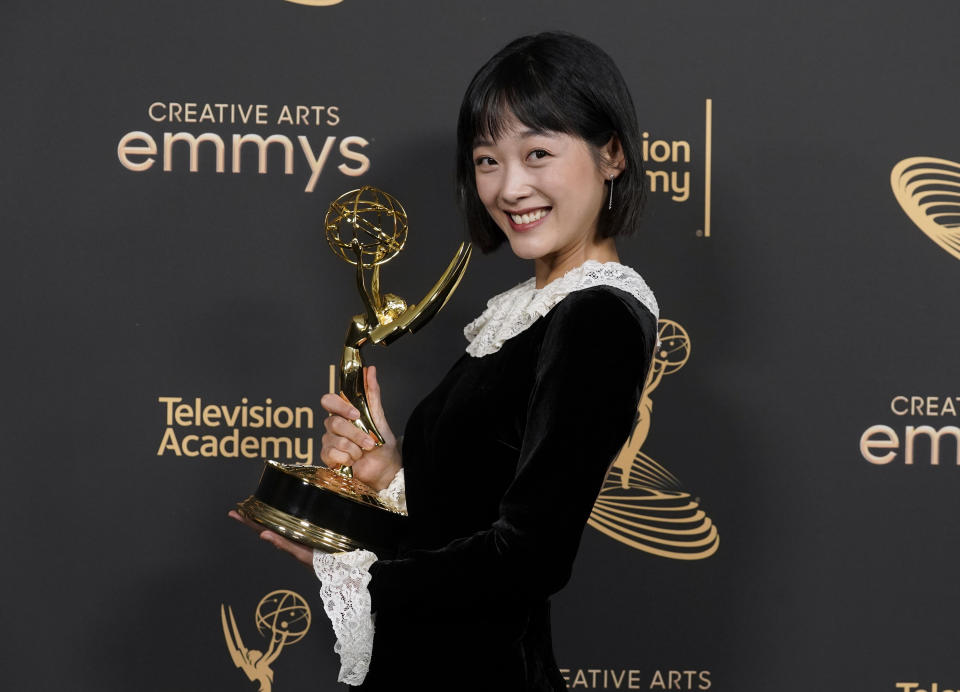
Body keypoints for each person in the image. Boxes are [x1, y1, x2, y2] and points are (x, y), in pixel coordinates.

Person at [231, 31, 659, 691]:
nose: (510, 187)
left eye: (537, 153)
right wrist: (390, 474)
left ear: (612, 155)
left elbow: (528, 558)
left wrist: (360, 580)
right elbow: (470, 518)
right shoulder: (531, 307)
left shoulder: (596, 317)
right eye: (487, 160)